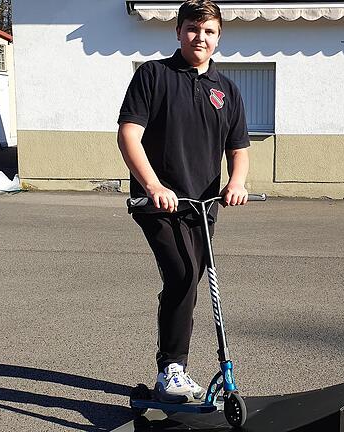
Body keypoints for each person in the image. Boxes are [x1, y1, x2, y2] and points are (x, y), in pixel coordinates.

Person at [116, 0, 250, 403]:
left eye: (209, 31)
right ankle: (171, 369)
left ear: (219, 38)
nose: (200, 37)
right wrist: (154, 185)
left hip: (203, 206)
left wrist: (237, 183)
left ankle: (173, 370)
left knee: (191, 278)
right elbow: (128, 135)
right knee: (181, 274)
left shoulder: (226, 90)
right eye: (193, 28)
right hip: (158, 204)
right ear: (178, 32)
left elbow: (239, 149)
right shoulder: (153, 76)